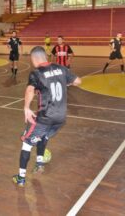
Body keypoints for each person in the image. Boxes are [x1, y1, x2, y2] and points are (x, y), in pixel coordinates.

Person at [13, 46, 81, 187]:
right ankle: (39, 164)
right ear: (45, 56)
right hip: (60, 118)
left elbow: (30, 89)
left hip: (45, 117)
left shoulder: (37, 73)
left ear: (33, 58)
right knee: (43, 136)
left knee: (26, 144)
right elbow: (78, 81)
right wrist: (65, 82)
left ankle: (21, 178)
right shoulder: (61, 68)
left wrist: (26, 107)